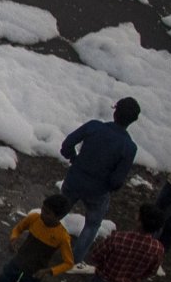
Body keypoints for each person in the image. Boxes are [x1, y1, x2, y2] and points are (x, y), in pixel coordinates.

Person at [56, 98, 142, 234]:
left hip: (74, 180)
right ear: (133, 120)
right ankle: (77, 255)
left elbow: (67, 144)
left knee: (56, 211)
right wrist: (106, 186)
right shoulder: (129, 147)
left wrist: (73, 158)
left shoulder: (94, 126)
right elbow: (117, 181)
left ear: (115, 112)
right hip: (98, 191)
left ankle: (41, 239)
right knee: (92, 225)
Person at [0, 195, 77, 282]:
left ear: (59, 217)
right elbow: (19, 228)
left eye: (47, 213)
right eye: (43, 209)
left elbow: (69, 263)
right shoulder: (35, 218)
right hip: (17, 263)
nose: (42, 214)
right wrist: (13, 239)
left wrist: (47, 271)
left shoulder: (62, 236)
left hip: (35, 273)